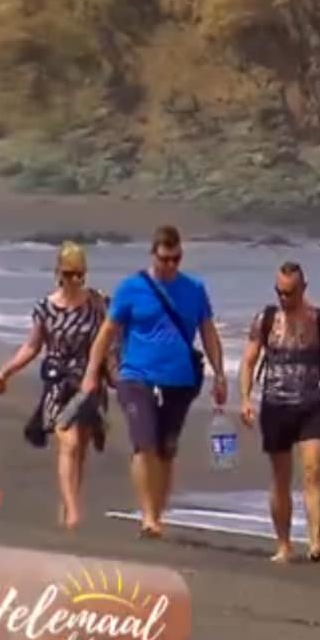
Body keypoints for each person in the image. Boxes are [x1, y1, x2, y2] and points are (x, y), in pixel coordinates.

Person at [81, 225, 226, 539]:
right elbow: (106, 332)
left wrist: (220, 373)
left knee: (167, 449)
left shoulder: (194, 289)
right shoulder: (132, 288)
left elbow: (208, 333)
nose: (171, 265)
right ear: (154, 254)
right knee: (144, 442)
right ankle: (147, 516)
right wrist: (92, 373)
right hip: (136, 376)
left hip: (180, 379)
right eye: (165, 259)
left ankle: (158, 513)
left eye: (176, 259)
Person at [239, 261, 320, 564]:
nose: (284, 298)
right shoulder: (266, 319)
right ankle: (283, 544)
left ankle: (316, 542)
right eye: (279, 292)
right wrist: (245, 398)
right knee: (280, 478)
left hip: (309, 407)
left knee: (312, 473)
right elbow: (249, 361)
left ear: (303, 289)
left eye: (290, 293)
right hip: (275, 406)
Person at [0, 241, 113, 530]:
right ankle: (72, 510)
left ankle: (69, 500)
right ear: (58, 272)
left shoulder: (98, 303)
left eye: (79, 274)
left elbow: (112, 340)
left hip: (89, 381)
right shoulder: (46, 308)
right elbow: (32, 347)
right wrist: (6, 372)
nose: (74, 280)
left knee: (80, 445)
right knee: (68, 442)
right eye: (69, 273)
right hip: (58, 382)